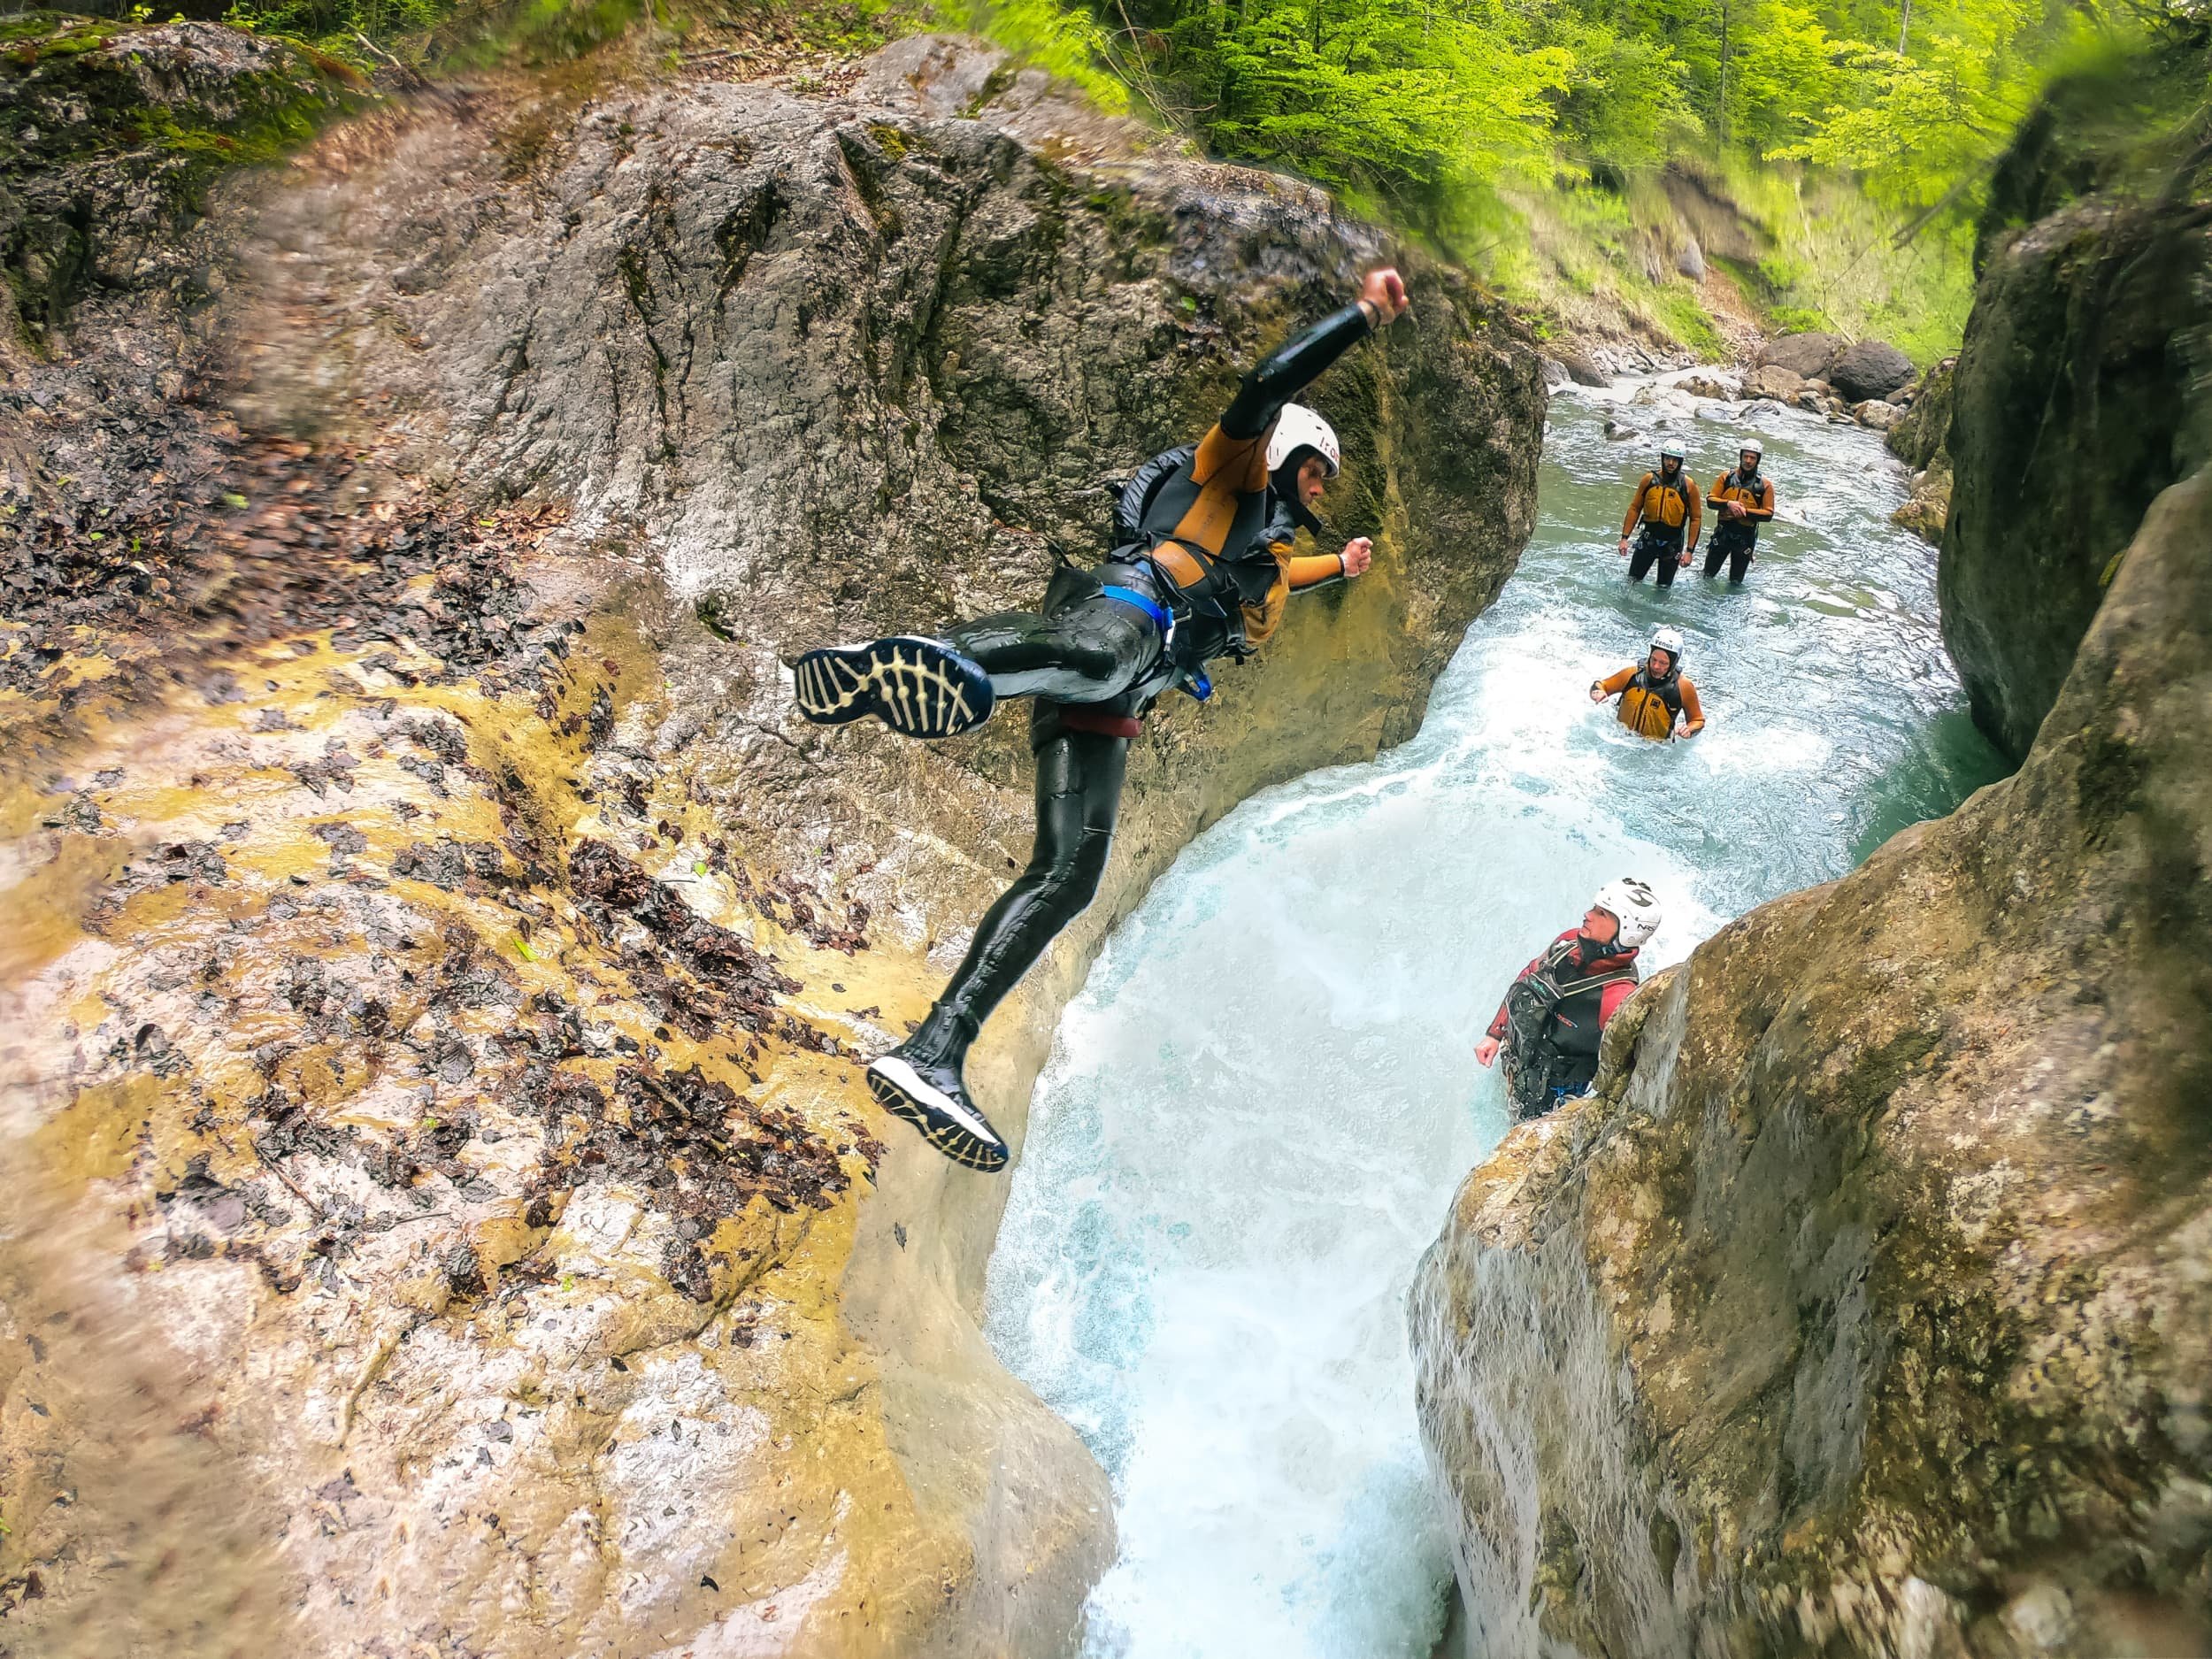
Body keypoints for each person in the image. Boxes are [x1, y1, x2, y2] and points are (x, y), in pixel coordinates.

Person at [791, 267, 1412, 1171]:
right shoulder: (1226, 477)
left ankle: (934, 1054)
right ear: (1284, 457)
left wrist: (1345, 568)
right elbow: (1261, 388)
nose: (1322, 490)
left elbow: (1284, 582)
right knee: (1094, 653)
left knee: (1072, 874)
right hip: (1122, 613)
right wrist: (1359, 317)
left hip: (1125, 691)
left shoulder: (1264, 556)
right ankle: (923, 662)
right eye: (1317, 472)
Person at [1473, 879, 1661, 1118]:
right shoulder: (1566, 944)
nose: (1588, 915)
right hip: (1517, 1060)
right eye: (1594, 908)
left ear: (1627, 931)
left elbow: (1622, 1074)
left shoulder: (1616, 999)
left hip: (1548, 1101)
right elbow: (1528, 976)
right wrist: (1494, 1034)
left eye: (1601, 913)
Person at [1590, 625, 1704, 741]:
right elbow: (1600, 685)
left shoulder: (1683, 687)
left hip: (1657, 749)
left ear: (1674, 663)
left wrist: (1689, 730)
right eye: (1653, 659)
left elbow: (1698, 720)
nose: (1656, 666)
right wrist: (1598, 692)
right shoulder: (1632, 675)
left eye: (1663, 663)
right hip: (1619, 738)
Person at [1617, 442, 1701, 587]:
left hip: (1673, 543)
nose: (1670, 463)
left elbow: (1696, 519)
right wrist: (1624, 538)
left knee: (1663, 587)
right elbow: (1635, 508)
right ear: (1662, 458)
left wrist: (1689, 551)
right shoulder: (1649, 480)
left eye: (1675, 460)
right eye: (1667, 458)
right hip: (1649, 538)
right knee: (1632, 581)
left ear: (1680, 462)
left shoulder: (1689, 486)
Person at [1703, 438, 1775, 583]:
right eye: (1745, 456)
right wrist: (1728, 504)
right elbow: (1711, 500)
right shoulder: (1726, 477)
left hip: (1745, 540)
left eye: (1752, 458)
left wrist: (1745, 512)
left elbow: (1768, 514)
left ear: (1758, 460)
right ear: (1740, 457)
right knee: (1707, 576)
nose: (1748, 461)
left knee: (1736, 582)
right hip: (1722, 535)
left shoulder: (1764, 485)